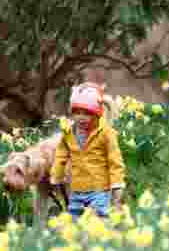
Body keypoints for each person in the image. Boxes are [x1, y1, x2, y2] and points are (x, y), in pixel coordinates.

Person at [49, 78, 125, 218]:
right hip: (77, 190)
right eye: (77, 113)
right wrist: (56, 176)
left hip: (99, 190)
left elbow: (115, 161)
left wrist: (117, 184)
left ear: (97, 113)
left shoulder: (106, 133)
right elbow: (61, 156)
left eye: (87, 113)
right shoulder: (69, 133)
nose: (81, 118)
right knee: (74, 222)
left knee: (99, 220)